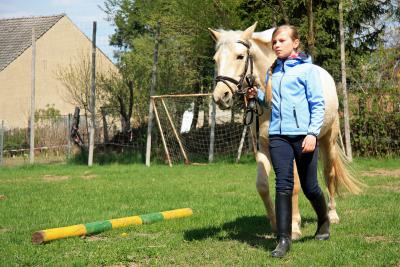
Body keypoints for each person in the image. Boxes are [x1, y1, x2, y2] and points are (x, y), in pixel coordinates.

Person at [250, 25, 330, 258]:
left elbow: (317, 104)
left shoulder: (308, 70)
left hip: (303, 136)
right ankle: (283, 240)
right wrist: (258, 95)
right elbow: (269, 103)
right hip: (278, 136)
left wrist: (312, 134)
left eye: (281, 41)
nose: (276, 45)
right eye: (274, 41)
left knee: (309, 186)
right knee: (283, 185)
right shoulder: (272, 71)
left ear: (295, 43)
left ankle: (323, 220)